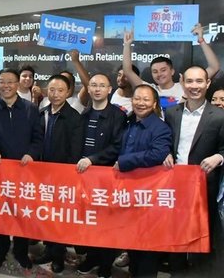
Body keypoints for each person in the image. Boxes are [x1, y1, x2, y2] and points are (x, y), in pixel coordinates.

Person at [162, 66, 224, 275]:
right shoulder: (171, 113)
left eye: (199, 81)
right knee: (175, 235)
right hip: (174, 185)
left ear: (207, 84)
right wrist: (165, 154)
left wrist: (219, 157)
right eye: (189, 81)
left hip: (205, 186)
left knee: (203, 235)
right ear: (182, 83)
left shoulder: (219, 116)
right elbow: (165, 143)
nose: (194, 86)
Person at [0, 68, 44, 270]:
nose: (5, 85)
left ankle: (20, 250)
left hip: (24, 171)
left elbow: (38, 138)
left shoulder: (30, 109)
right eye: (2, 81)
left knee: (22, 213)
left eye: (10, 82)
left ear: (18, 84)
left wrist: (31, 153)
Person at [115, 84, 172, 277]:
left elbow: (158, 153)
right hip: (128, 191)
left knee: (148, 244)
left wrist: (123, 162)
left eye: (146, 99)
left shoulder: (160, 127)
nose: (141, 103)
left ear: (155, 103)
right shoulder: (129, 122)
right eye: (137, 98)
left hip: (150, 194)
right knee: (132, 240)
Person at [75, 73, 127, 277]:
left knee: (106, 222)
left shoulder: (118, 115)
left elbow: (117, 146)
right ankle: (92, 257)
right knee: (88, 220)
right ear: (88, 89)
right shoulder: (83, 115)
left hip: (106, 176)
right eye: (93, 85)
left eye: (101, 86)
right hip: (83, 176)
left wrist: (93, 159)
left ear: (109, 89)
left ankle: (106, 262)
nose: (97, 89)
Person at [34, 74, 84, 273]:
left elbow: (75, 150)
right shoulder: (42, 112)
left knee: (60, 217)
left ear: (68, 92)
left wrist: (67, 175)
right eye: (52, 90)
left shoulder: (74, 117)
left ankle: (58, 255)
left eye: (60, 91)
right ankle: (48, 249)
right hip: (41, 174)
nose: (55, 95)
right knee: (45, 214)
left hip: (62, 176)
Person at [122, 25, 220, 109]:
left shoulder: (185, 87)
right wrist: (127, 45)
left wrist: (201, 40)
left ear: (172, 71)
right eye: (155, 71)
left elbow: (214, 67)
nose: (159, 74)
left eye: (163, 70)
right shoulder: (149, 89)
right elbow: (127, 71)